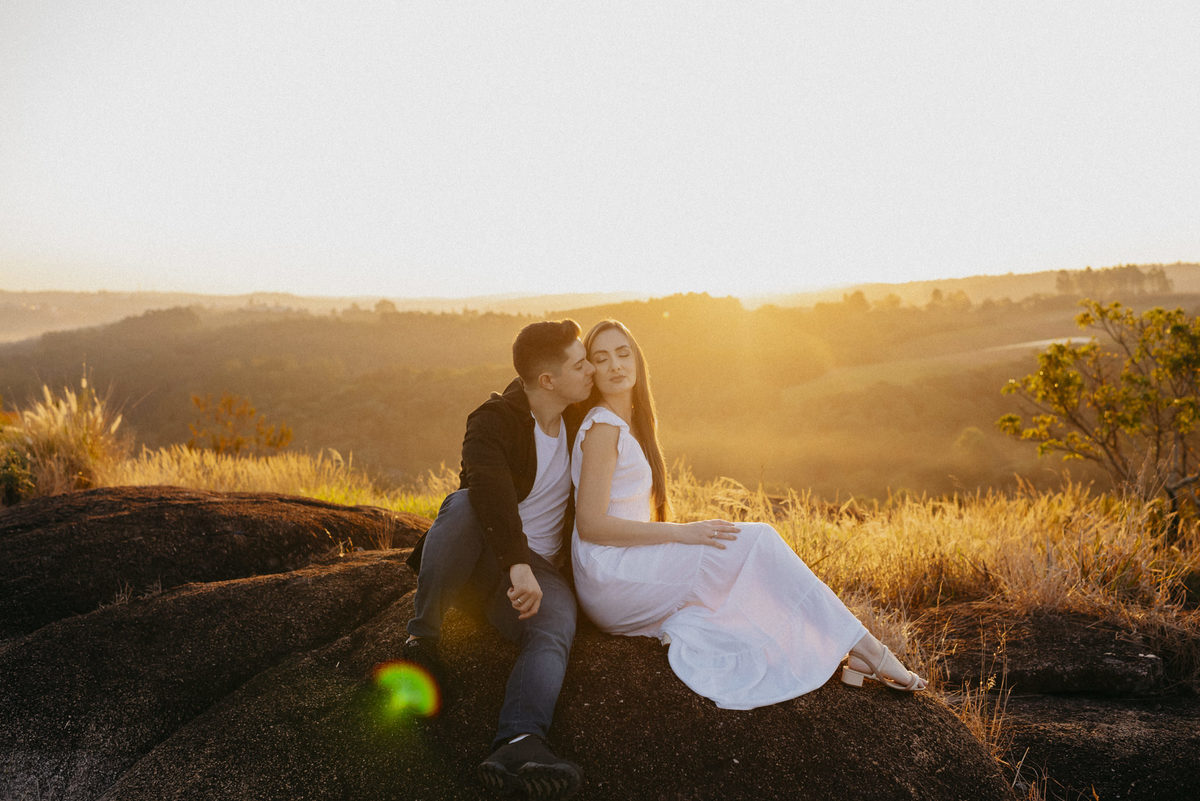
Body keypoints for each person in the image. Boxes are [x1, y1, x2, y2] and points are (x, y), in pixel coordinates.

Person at [570, 319, 926, 711]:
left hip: (628, 564)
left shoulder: (633, 423)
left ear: (636, 359)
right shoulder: (604, 427)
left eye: (623, 353)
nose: (616, 366)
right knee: (754, 540)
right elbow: (590, 524)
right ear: (591, 371)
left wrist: (681, 536)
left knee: (741, 547)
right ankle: (868, 650)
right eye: (601, 359)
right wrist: (682, 533)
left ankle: (856, 647)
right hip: (610, 574)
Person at [403, 319, 595, 800]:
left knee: (556, 627)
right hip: (485, 560)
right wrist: (517, 563)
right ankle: (422, 643)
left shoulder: (580, 414)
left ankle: (519, 741)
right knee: (466, 502)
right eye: (580, 362)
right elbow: (487, 491)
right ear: (547, 380)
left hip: (540, 575)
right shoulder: (493, 420)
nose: (591, 368)